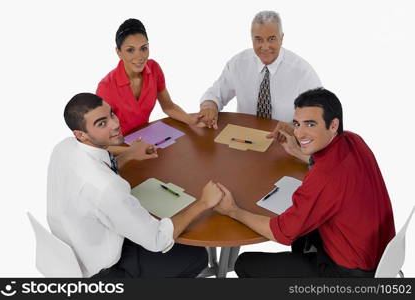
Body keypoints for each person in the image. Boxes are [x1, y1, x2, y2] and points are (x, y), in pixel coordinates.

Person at [213, 88, 395, 277]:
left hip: (348, 272)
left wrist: (232, 210)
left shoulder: (324, 178)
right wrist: (297, 152)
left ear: (333, 125)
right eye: (297, 124)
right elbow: (331, 172)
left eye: (310, 124)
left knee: (244, 263)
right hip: (377, 254)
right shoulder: (353, 140)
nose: (299, 134)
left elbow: (282, 233)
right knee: (301, 236)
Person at [47, 93, 223, 278]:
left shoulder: (64, 148)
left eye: (112, 114)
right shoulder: (108, 188)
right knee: (195, 256)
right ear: (81, 134)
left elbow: (97, 174)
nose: (115, 124)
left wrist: (129, 154)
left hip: (78, 246)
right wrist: (203, 203)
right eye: (101, 123)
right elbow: (157, 239)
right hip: (106, 271)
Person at [199, 10, 321, 142]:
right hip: (245, 139)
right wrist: (209, 106)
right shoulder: (238, 64)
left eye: (271, 39)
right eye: (258, 39)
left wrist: (294, 128)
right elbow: (214, 94)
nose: (265, 46)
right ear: (251, 39)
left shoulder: (303, 72)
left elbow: (320, 116)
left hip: (285, 143)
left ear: (282, 38)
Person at [96, 19, 204, 144]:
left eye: (144, 48)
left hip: (146, 139)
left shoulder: (154, 69)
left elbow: (168, 106)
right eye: (130, 50)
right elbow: (101, 141)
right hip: (119, 147)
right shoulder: (105, 87)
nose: (140, 56)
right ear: (118, 52)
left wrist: (190, 120)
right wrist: (130, 151)